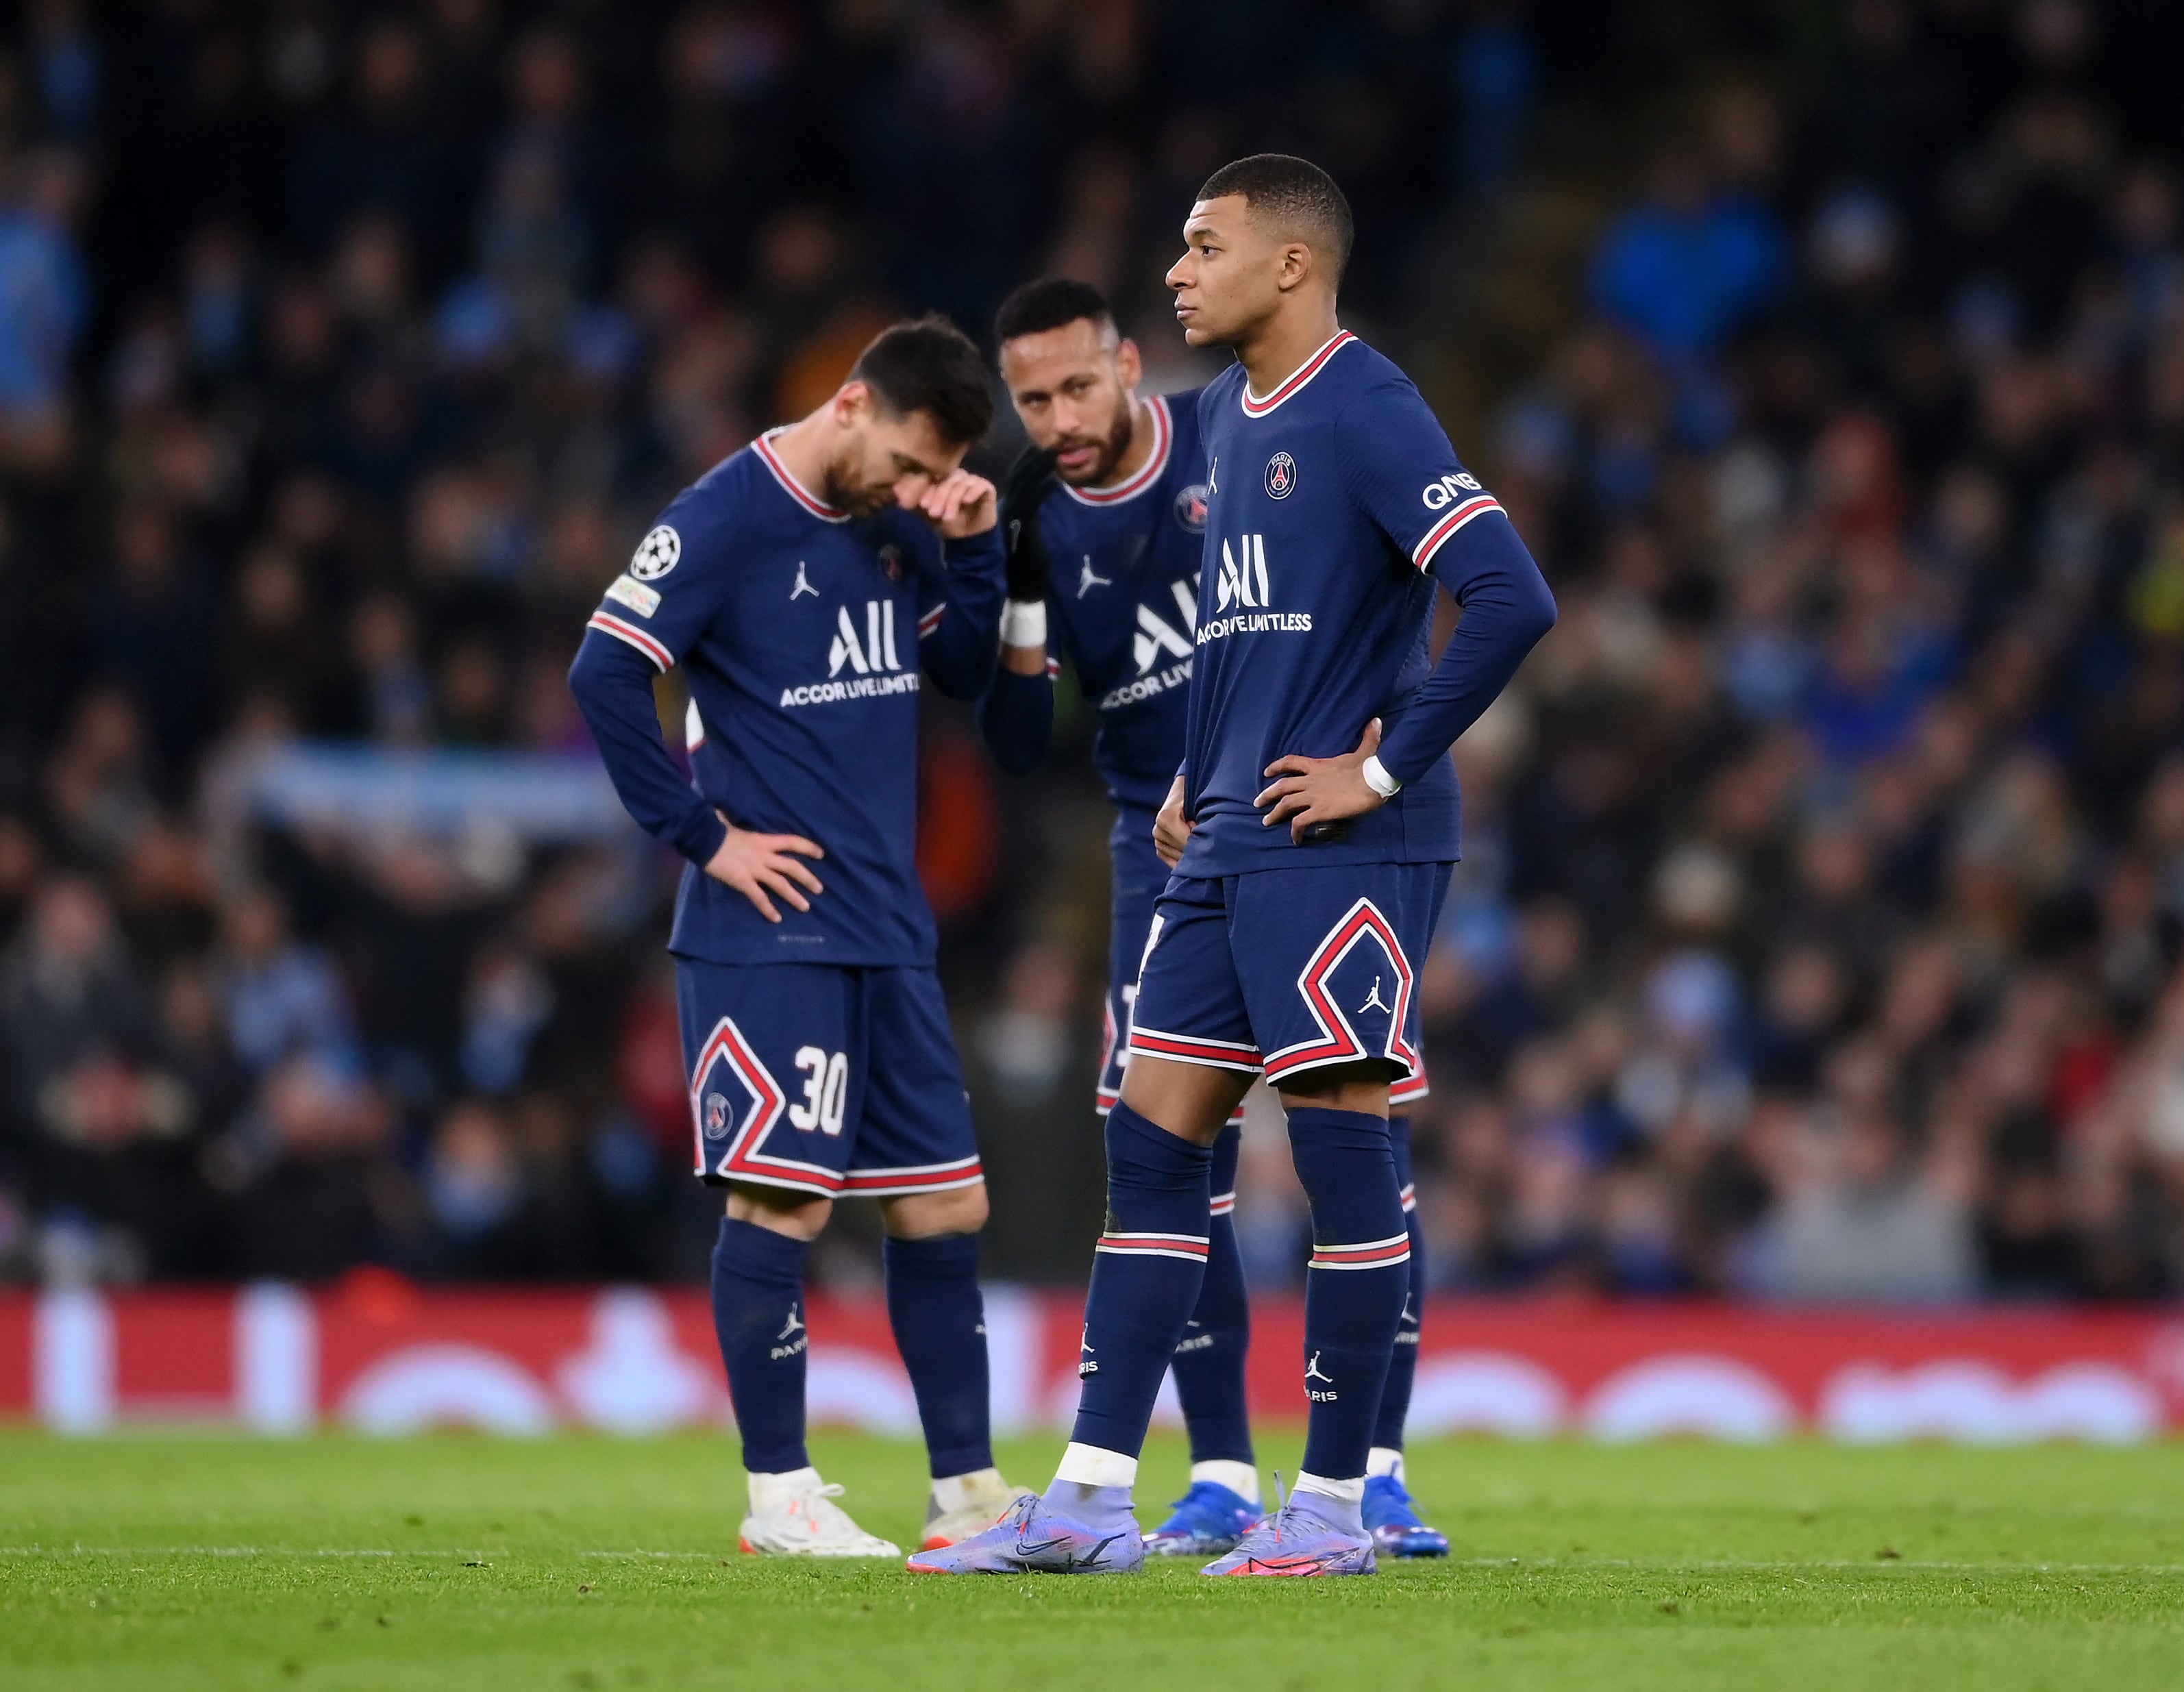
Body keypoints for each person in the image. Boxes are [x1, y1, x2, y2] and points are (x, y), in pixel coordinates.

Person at [915, 157, 1555, 1578]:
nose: (1179, 271)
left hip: (1341, 837)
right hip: (1225, 835)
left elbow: (1510, 590)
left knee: (1342, 1155)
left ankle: (1333, 1502)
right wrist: (1204, 765)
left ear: (1290, 265)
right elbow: (1242, 629)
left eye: (1204, 247)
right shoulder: (1222, 423)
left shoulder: (1365, 402)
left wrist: (1380, 768)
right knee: (1151, 1142)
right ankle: (1088, 1498)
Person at [977, 276, 1450, 1558]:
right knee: (1166, 1147)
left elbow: (1385, 594)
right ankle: (1221, 1475)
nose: (1061, 418)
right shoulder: (1039, 518)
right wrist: (1015, 583)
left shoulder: (1235, 430)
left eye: (1078, 384)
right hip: (1159, 843)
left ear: (1129, 365)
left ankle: (1373, 1473)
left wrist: (1382, 756)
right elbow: (1020, 741)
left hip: (1292, 824)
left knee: (1352, 1124)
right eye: (1032, 399)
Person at [569, 315, 1031, 1558]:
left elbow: (968, 675)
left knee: (945, 1208)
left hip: (889, 925)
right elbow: (604, 671)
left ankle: (969, 1497)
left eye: (936, 475)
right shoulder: (723, 517)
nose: (917, 489)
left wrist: (974, 550)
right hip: (768, 930)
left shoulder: (900, 523)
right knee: (780, 1206)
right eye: (911, 464)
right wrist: (703, 836)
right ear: (850, 407)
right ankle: (779, 1495)